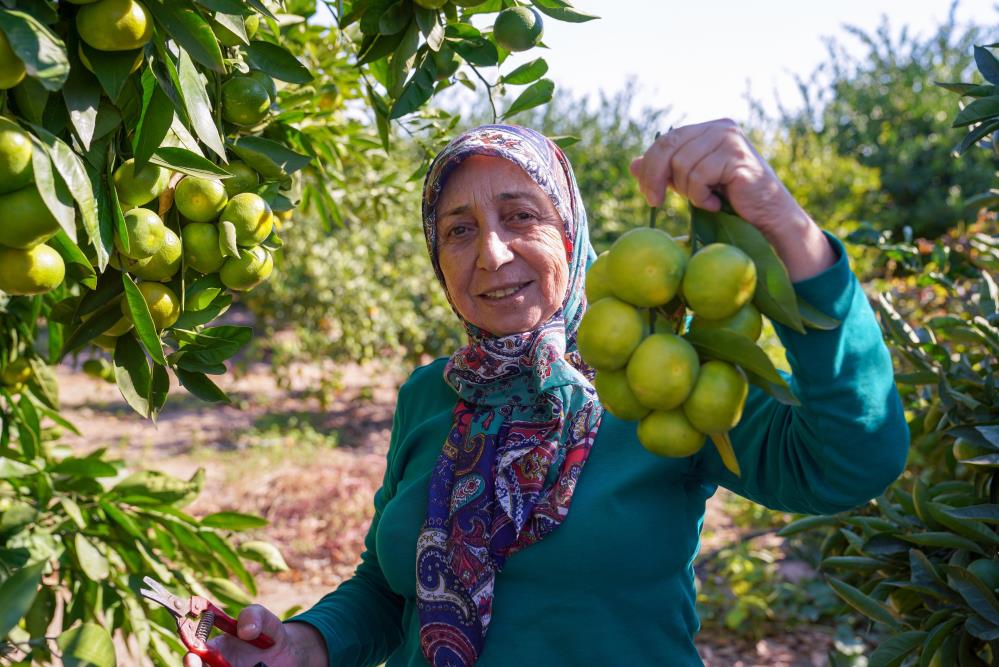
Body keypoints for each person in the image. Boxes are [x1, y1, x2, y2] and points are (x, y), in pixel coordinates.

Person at [184, 121, 909, 667]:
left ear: (570, 233)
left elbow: (847, 460)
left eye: (520, 214)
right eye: (458, 229)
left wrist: (785, 227)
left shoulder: (656, 378)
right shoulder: (431, 395)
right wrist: (305, 642)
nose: (491, 253)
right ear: (437, 260)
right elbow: (388, 585)